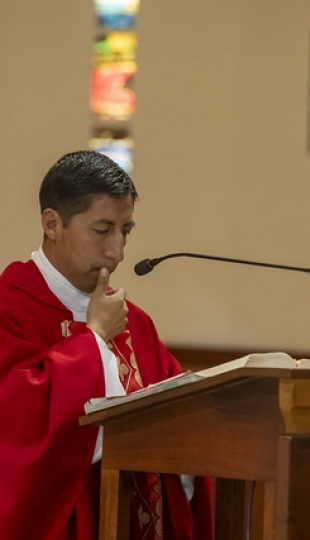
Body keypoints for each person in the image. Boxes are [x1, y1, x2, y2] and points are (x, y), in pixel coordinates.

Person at [0, 150, 213, 540]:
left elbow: (181, 428)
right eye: (102, 231)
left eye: (126, 230)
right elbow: (16, 430)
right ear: (52, 223)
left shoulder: (136, 323)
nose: (118, 251)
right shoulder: (8, 309)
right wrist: (93, 338)